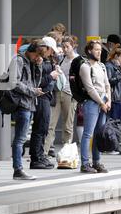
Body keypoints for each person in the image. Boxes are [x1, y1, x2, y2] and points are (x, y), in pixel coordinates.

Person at [7, 41, 44, 180]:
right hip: (22, 104)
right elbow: (13, 82)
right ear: (31, 51)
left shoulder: (31, 62)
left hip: (29, 104)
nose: (37, 58)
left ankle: (19, 169)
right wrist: (31, 91)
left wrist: (39, 66)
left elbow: (36, 81)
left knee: (20, 139)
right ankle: (18, 169)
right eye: (37, 55)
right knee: (20, 139)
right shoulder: (18, 60)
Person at [44, 35, 79, 157]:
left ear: (73, 46)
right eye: (63, 46)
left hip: (70, 94)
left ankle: (66, 152)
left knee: (68, 125)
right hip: (58, 92)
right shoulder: (62, 59)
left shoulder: (78, 60)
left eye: (67, 46)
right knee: (50, 124)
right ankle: (44, 151)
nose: (65, 49)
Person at [79, 40, 111, 173]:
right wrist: (102, 103)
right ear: (89, 51)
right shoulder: (85, 67)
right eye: (96, 49)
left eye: (100, 50)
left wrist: (108, 100)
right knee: (88, 133)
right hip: (92, 102)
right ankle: (85, 163)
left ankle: (97, 162)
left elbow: (107, 84)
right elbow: (90, 88)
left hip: (103, 100)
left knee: (98, 133)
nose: (99, 52)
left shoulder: (102, 66)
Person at [29, 37, 59, 169]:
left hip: (45, 97)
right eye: (51, 50)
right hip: (41, 97)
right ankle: (36, 158)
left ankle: (40, 156)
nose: (51, 53)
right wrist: (51, 76)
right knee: (40, 128)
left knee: (44, 128)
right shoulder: (39, 62)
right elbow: (38, 82)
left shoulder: (47, 61)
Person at [106, 47, 121, 120]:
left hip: (120, 95)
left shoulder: (116, 66)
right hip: (115, 97)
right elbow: (108, 82)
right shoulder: (109, 66)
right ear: (116, 57)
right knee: (115, 120)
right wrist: (120, 76)